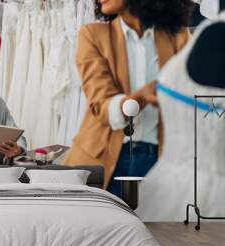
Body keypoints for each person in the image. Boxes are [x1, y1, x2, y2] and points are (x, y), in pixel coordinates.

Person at [64, 0, 193, 197]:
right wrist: (138, 99)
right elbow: (101, 103)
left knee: (157, 227)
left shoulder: (178, 35)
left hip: (159, 158)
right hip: (103, 158)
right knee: (100, 226)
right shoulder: (93, 35)